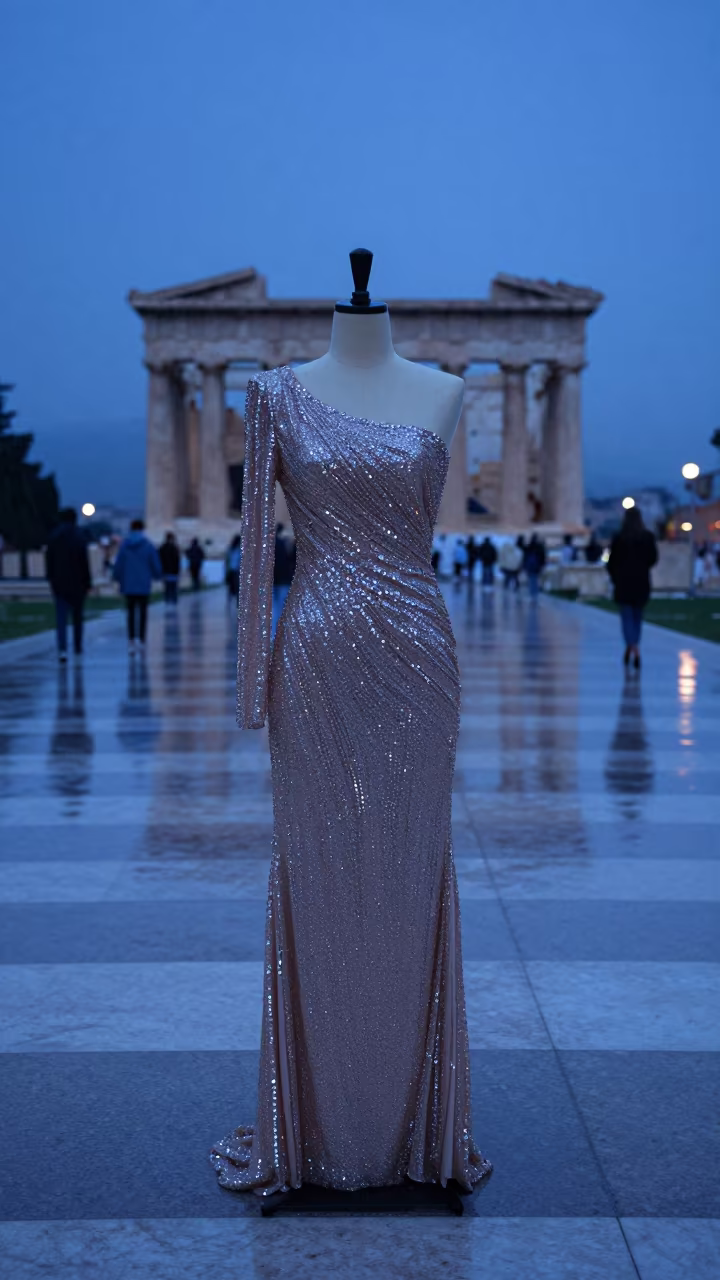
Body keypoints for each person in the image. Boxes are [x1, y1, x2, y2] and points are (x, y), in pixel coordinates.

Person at [211, 363, 491, 1198]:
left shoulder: (443, 389)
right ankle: (319, 1125)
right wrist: (251, 684)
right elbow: (259, 545)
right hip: (319, 658)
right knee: (318, 879)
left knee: (410, 884)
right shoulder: (274, 396)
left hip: (417, 656)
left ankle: (412, 1126)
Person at [607, 507, 658, 669]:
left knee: (627, 617)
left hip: (623, 583)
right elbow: (653, 558)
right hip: (641, 582)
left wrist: (615, 577)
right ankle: (635, 646)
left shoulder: (619, 538)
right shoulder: (647, 537)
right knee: (637, 617)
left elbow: (611, 562)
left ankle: (631, 646)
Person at [45, 507, 91, 662]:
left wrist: (51, 578)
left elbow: (49, 561)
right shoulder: (80, 537)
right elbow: (84, 562)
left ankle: (62, 649)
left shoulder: (53, 537)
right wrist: (88, 581)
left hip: (59, 582)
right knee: (78, 617)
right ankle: (77, 647)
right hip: (77, 583)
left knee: (61, 618)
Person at [112, 519, 162, 655]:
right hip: (143, 584)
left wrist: (116, 577)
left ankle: (131, 641)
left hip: (128, 584)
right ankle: (142, 640)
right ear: (142, 529)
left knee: (131, 613)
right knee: (143, 613)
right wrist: (157, 575)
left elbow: (119, 564)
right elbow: (155, 565)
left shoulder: (124, 546)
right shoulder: (148, 546)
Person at [272, 523, 295, 635]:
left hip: (273, 580)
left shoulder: (270, 545)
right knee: (281, 607)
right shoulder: (285, 544)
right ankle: (281, 633)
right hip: (284, 580)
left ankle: (274, 634)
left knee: (274, 607)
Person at [158, 531, 180, 605]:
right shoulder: (174, 548)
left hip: (165, 571)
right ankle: (173, 603)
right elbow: (177, 561)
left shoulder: (162, 548)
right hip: (173, 572)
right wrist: (178, 571)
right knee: (173, 588)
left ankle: (167, 602)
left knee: (167, 588)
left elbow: (159, 560)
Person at [226, 533, 242, 604]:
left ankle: (234, 601)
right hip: (234, 570)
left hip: (233, 570)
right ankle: (234, 601)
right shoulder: (236, 550)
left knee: (235, 586)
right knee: (234, 586)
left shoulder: (231, 550)